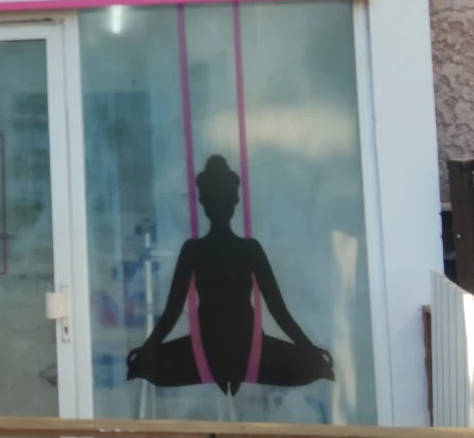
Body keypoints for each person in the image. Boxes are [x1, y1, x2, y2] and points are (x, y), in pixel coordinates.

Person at [126, 154, 334, 395]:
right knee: (144, 365)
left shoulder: (240, 249)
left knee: (312, 365)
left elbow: (278, 310)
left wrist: (308, 349)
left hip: (247, 349)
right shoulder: (203, 250)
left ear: (205, 202)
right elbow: (172, 312)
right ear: (232, 202)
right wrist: (148, 350)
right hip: (207, 349)